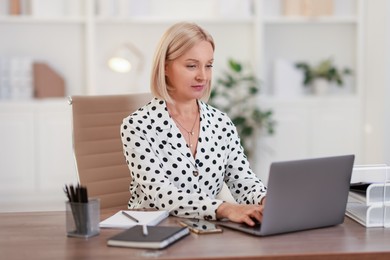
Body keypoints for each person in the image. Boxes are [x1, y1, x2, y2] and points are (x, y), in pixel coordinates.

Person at [120, 22, 266, 226]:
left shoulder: (221, 123)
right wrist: (224, 208)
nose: (203, 76)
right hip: (154, 233)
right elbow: (162, 195)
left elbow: (243, 181)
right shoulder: (137, 126)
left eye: (208, 65)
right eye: (191, 65)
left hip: (206, 232)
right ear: (165, 67)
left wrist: (266, 201)